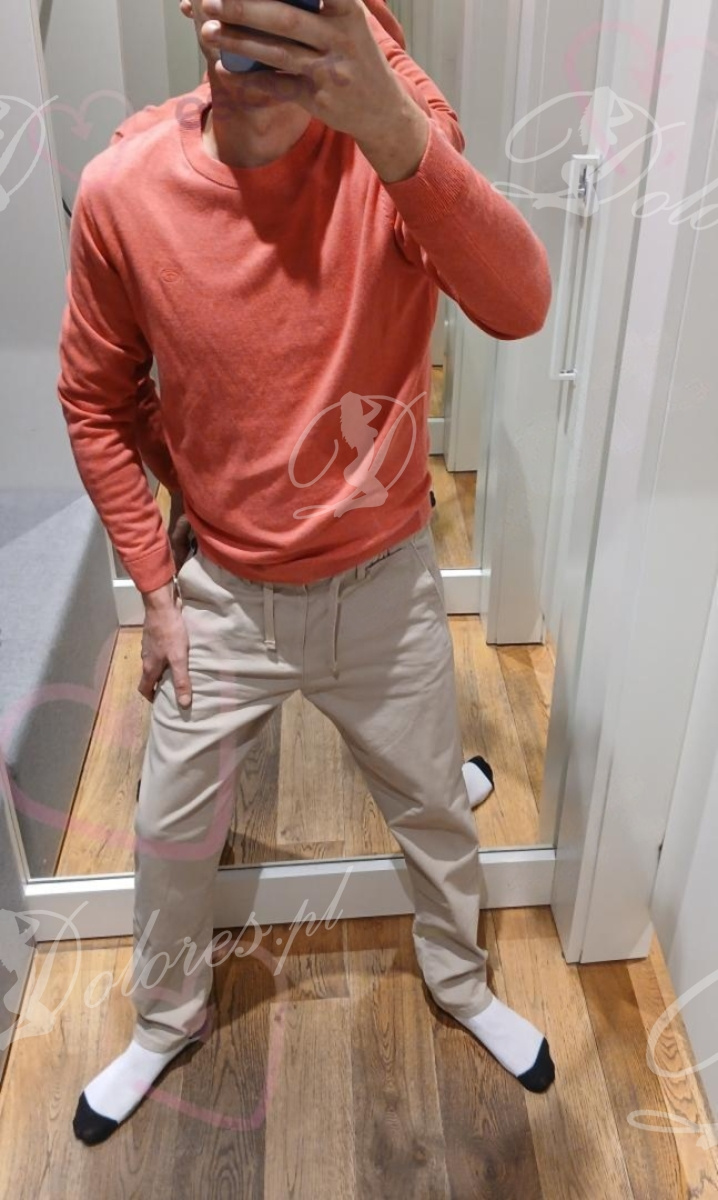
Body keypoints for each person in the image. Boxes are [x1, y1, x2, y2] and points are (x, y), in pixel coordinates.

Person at [57, 0, 554, 1147]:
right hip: (223, 593)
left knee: (432, 808)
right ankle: (164, 1017)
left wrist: (393, 127)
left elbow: (520, 305)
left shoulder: (396, 137)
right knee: (170, 829)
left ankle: (460, 981)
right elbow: (92, 397)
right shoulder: (125, 188)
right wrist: (156, 590)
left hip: (383, 583)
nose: (264, 40)